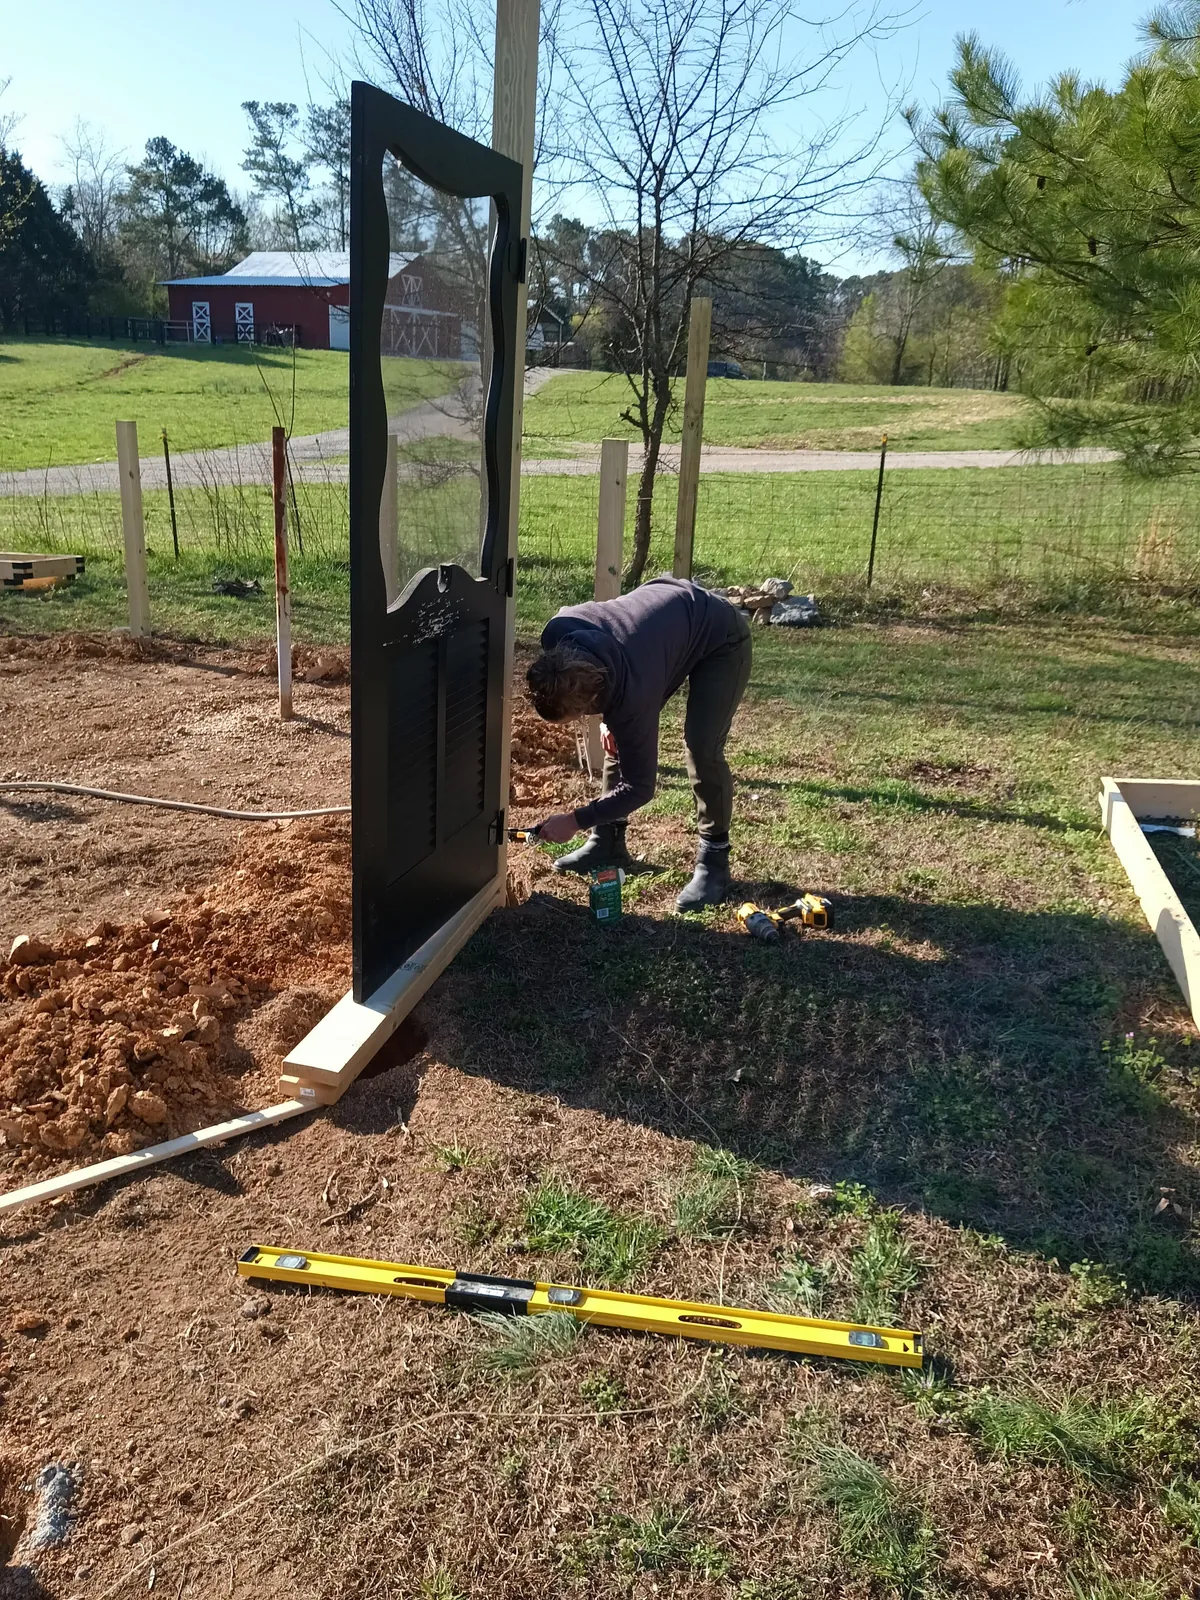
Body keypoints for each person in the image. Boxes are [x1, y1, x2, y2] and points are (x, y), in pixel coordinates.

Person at [525, 575, 752, 911]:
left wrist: (574, 820)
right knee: (619, 733)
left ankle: (714, 862)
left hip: (720, 634)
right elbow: (605, 679)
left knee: (702, 746)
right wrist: (607, 720)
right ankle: (607, 842)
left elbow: (640, 787)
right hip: (661, 619)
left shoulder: (632, 695)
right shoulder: (558, 630)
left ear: (590, 700)